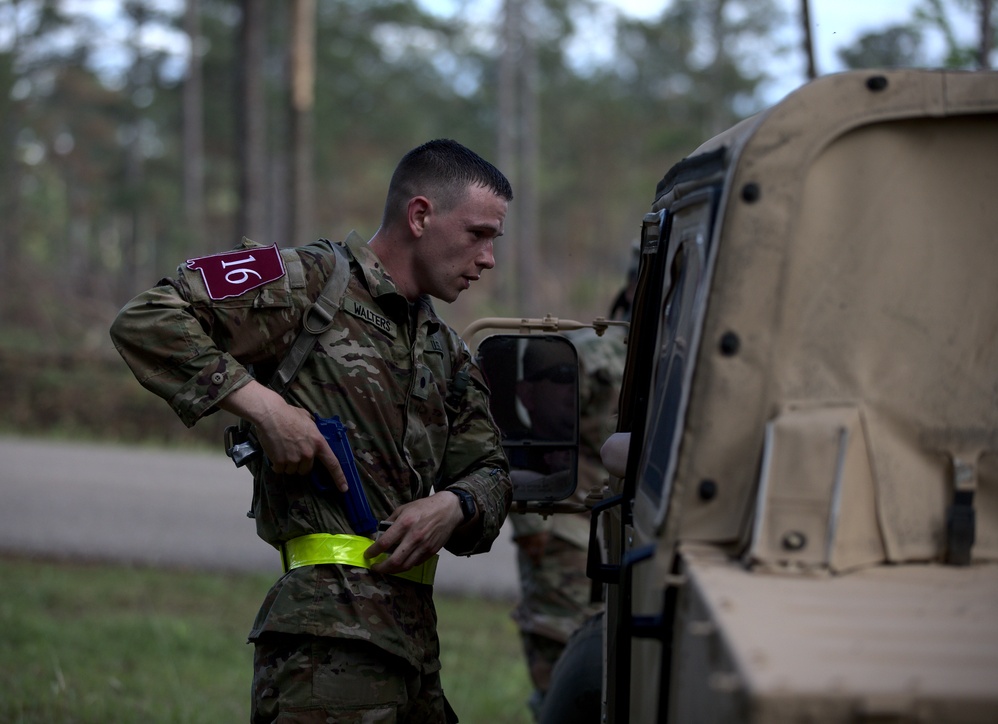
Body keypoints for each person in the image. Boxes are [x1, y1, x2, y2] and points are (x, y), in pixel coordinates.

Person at [110, 139, 514, 723]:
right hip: (323, 648)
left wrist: (455, 505)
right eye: (478, 234)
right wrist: (265, 409)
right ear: (421, 215)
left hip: (416, 654)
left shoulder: (443, 348)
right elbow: (147, 318)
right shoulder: (306, 282)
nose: (488, 258)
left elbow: (493, 473)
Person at [507, 261, 635, 719]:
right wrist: (527, 518)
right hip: (565, 534)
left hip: (621, 535)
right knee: (564, 670)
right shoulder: (590, 357)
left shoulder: (667, 359)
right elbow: (529, 436)